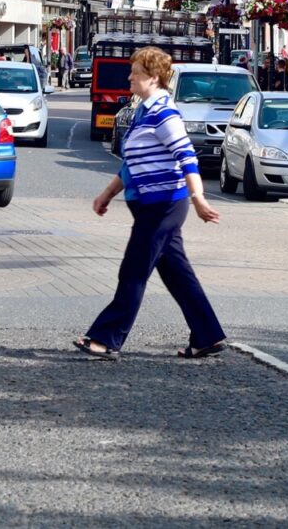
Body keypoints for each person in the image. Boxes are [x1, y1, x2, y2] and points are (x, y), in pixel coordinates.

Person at [76, 47, 226, 360]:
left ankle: (106, 339)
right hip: (150, 204)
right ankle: (208, 336)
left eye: (136, 73)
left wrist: (198, 198)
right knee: (178, 276)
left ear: (154, 77)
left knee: (133, 271)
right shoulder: (144, 110)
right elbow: (132, 163)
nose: (129, 77)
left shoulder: (164, 114)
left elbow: (187, 158)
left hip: (163, 206)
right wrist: (108, 194)